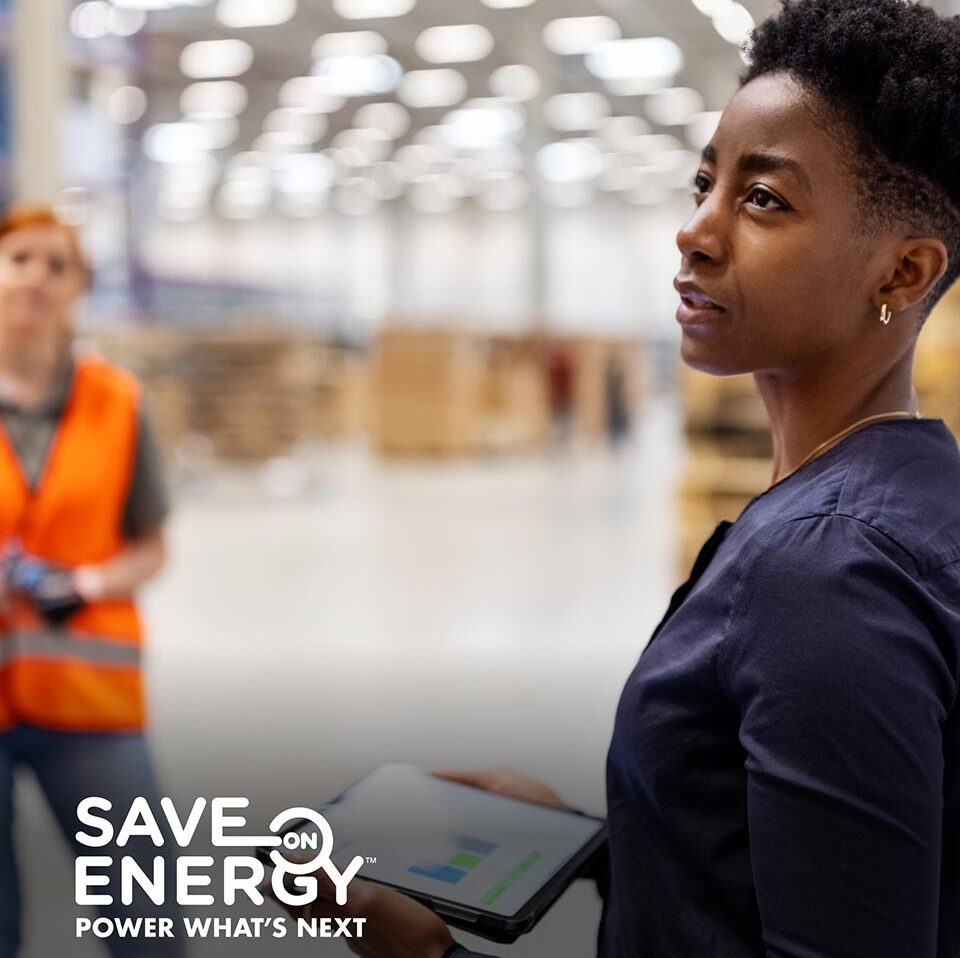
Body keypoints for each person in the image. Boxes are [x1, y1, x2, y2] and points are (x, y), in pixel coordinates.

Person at [283, 0, 960, 955]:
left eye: (764, 199)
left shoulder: (825, 577)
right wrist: (622, 837)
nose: (697, 232)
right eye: (704, 184)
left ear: (901, 275)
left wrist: (427, 954)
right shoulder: (919, 491)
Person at [0, 205, 184, 957]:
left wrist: (90, 580)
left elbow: (152, 548)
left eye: (58, 265)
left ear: (80, 287)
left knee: (146, 920)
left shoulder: (117, 401)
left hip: (90, 697)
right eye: (20, 259)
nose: (36, 278)